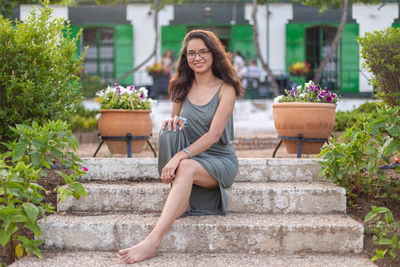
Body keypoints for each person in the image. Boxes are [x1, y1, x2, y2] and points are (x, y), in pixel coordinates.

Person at [118, 29, 243, 264]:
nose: (197, 57)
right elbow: (176, 128)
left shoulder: (226, 88)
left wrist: (179, 157)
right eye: (191, 53)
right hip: (190, 159)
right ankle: (182, 199)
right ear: (186, 58)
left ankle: (152, 242)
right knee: (169, 130)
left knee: (184, 166)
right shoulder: (181, 87)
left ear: (214, 54)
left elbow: (214, 134)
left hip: (219, 160)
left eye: (203, 52)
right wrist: (173, 129)